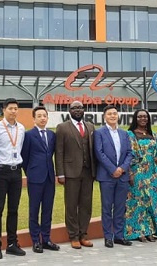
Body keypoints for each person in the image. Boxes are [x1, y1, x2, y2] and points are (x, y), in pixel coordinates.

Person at [0, 98, 26, 259]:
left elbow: (20, 147)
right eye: (10, 108)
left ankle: (12, 244)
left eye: (16, 108)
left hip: (16, 172)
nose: (13, 111)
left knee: (14, 209)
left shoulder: (22, 128)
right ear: (4, 109)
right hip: (1, 172)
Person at [55, 101, 97, 249]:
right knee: (72, 205)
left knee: (86, 205)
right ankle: (73, 236)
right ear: (69, 110)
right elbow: (59, 152)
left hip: (88, 172)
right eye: (74, 108)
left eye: (80, 108)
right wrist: (60, 173)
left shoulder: (90, 126)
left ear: (84, 110)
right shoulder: (62, 127)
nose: (78, 110)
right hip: (71, 172)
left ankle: (83, 234)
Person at [124, 109, 157, 242]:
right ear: (135, 119)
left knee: (152, 201)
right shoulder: (130, 134)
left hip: (152, 174)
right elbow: (128, 154)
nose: (143, 119)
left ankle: (152, 230)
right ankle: (139, 231)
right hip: (137, 172)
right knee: (137, 202)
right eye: (140, 117)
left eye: (145, 117)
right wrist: (130, 174)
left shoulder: (154, 135)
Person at [21, 106, 60, 253]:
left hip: (49, 177)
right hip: (35, 178)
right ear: (34, 118)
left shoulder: (52, 135)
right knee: (34, 210)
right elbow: (24, 157)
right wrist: (30, 172)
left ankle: (47, 239)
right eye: (39, 116)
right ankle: (36, 240)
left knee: (48, 210)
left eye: (45, 115)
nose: (43, 118)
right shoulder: (29, 135)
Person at [94, 105, 133, 248]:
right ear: (105, 117)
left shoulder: (124, 133)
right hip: (107, 176)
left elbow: (130, 153)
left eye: (115, 113)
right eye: (109, 114)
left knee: (120, 207)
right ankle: (108, 237)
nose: (112, 116)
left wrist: (122, 168)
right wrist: (113, 169)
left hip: (122, 176)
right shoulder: (99, 133)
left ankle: (119, 236)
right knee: (106, 207)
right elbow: (99, 153)